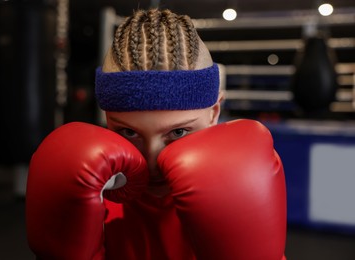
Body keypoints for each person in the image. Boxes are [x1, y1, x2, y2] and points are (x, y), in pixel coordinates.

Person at [26, 8, 287, 260]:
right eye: (129, 131)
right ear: (107, 118)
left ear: (214, 112)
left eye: (179, 131)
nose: (151, 161)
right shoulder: (87, 193)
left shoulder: (241, 188)